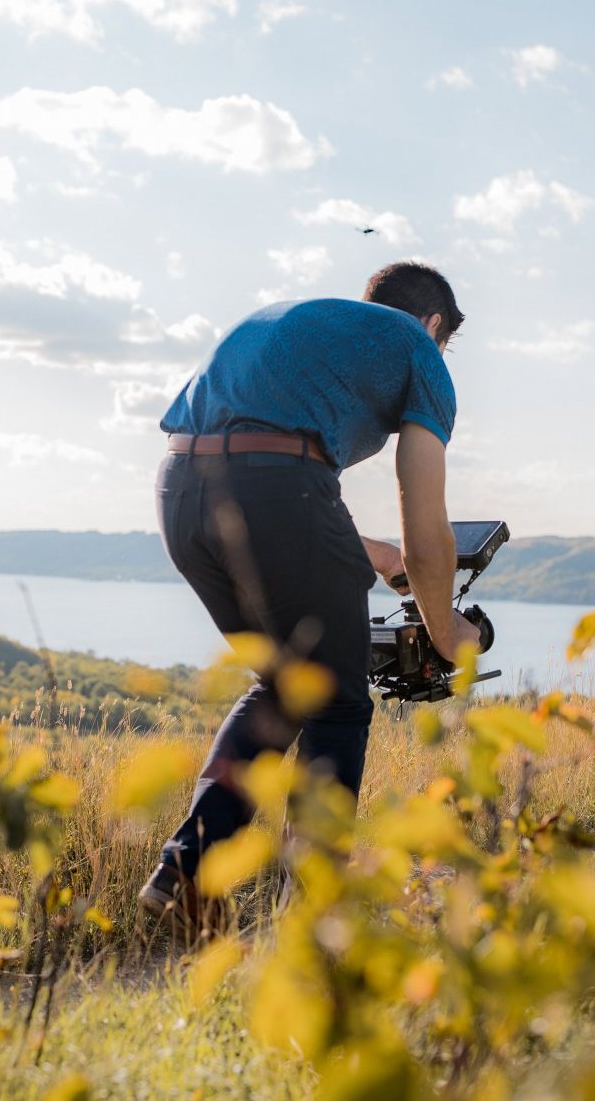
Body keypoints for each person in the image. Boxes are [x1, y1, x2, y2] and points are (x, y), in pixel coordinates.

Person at [137, 261, 482, 929]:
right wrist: (448, 635)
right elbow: (427, 526)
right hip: (276, 487)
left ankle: (187, 868)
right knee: (340, 706)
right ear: (434, 325)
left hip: (179, 490)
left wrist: (371, 554)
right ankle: (315, 914)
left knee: (282, 685)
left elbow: (256, 458)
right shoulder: (419, 352)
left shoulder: (311, 325)